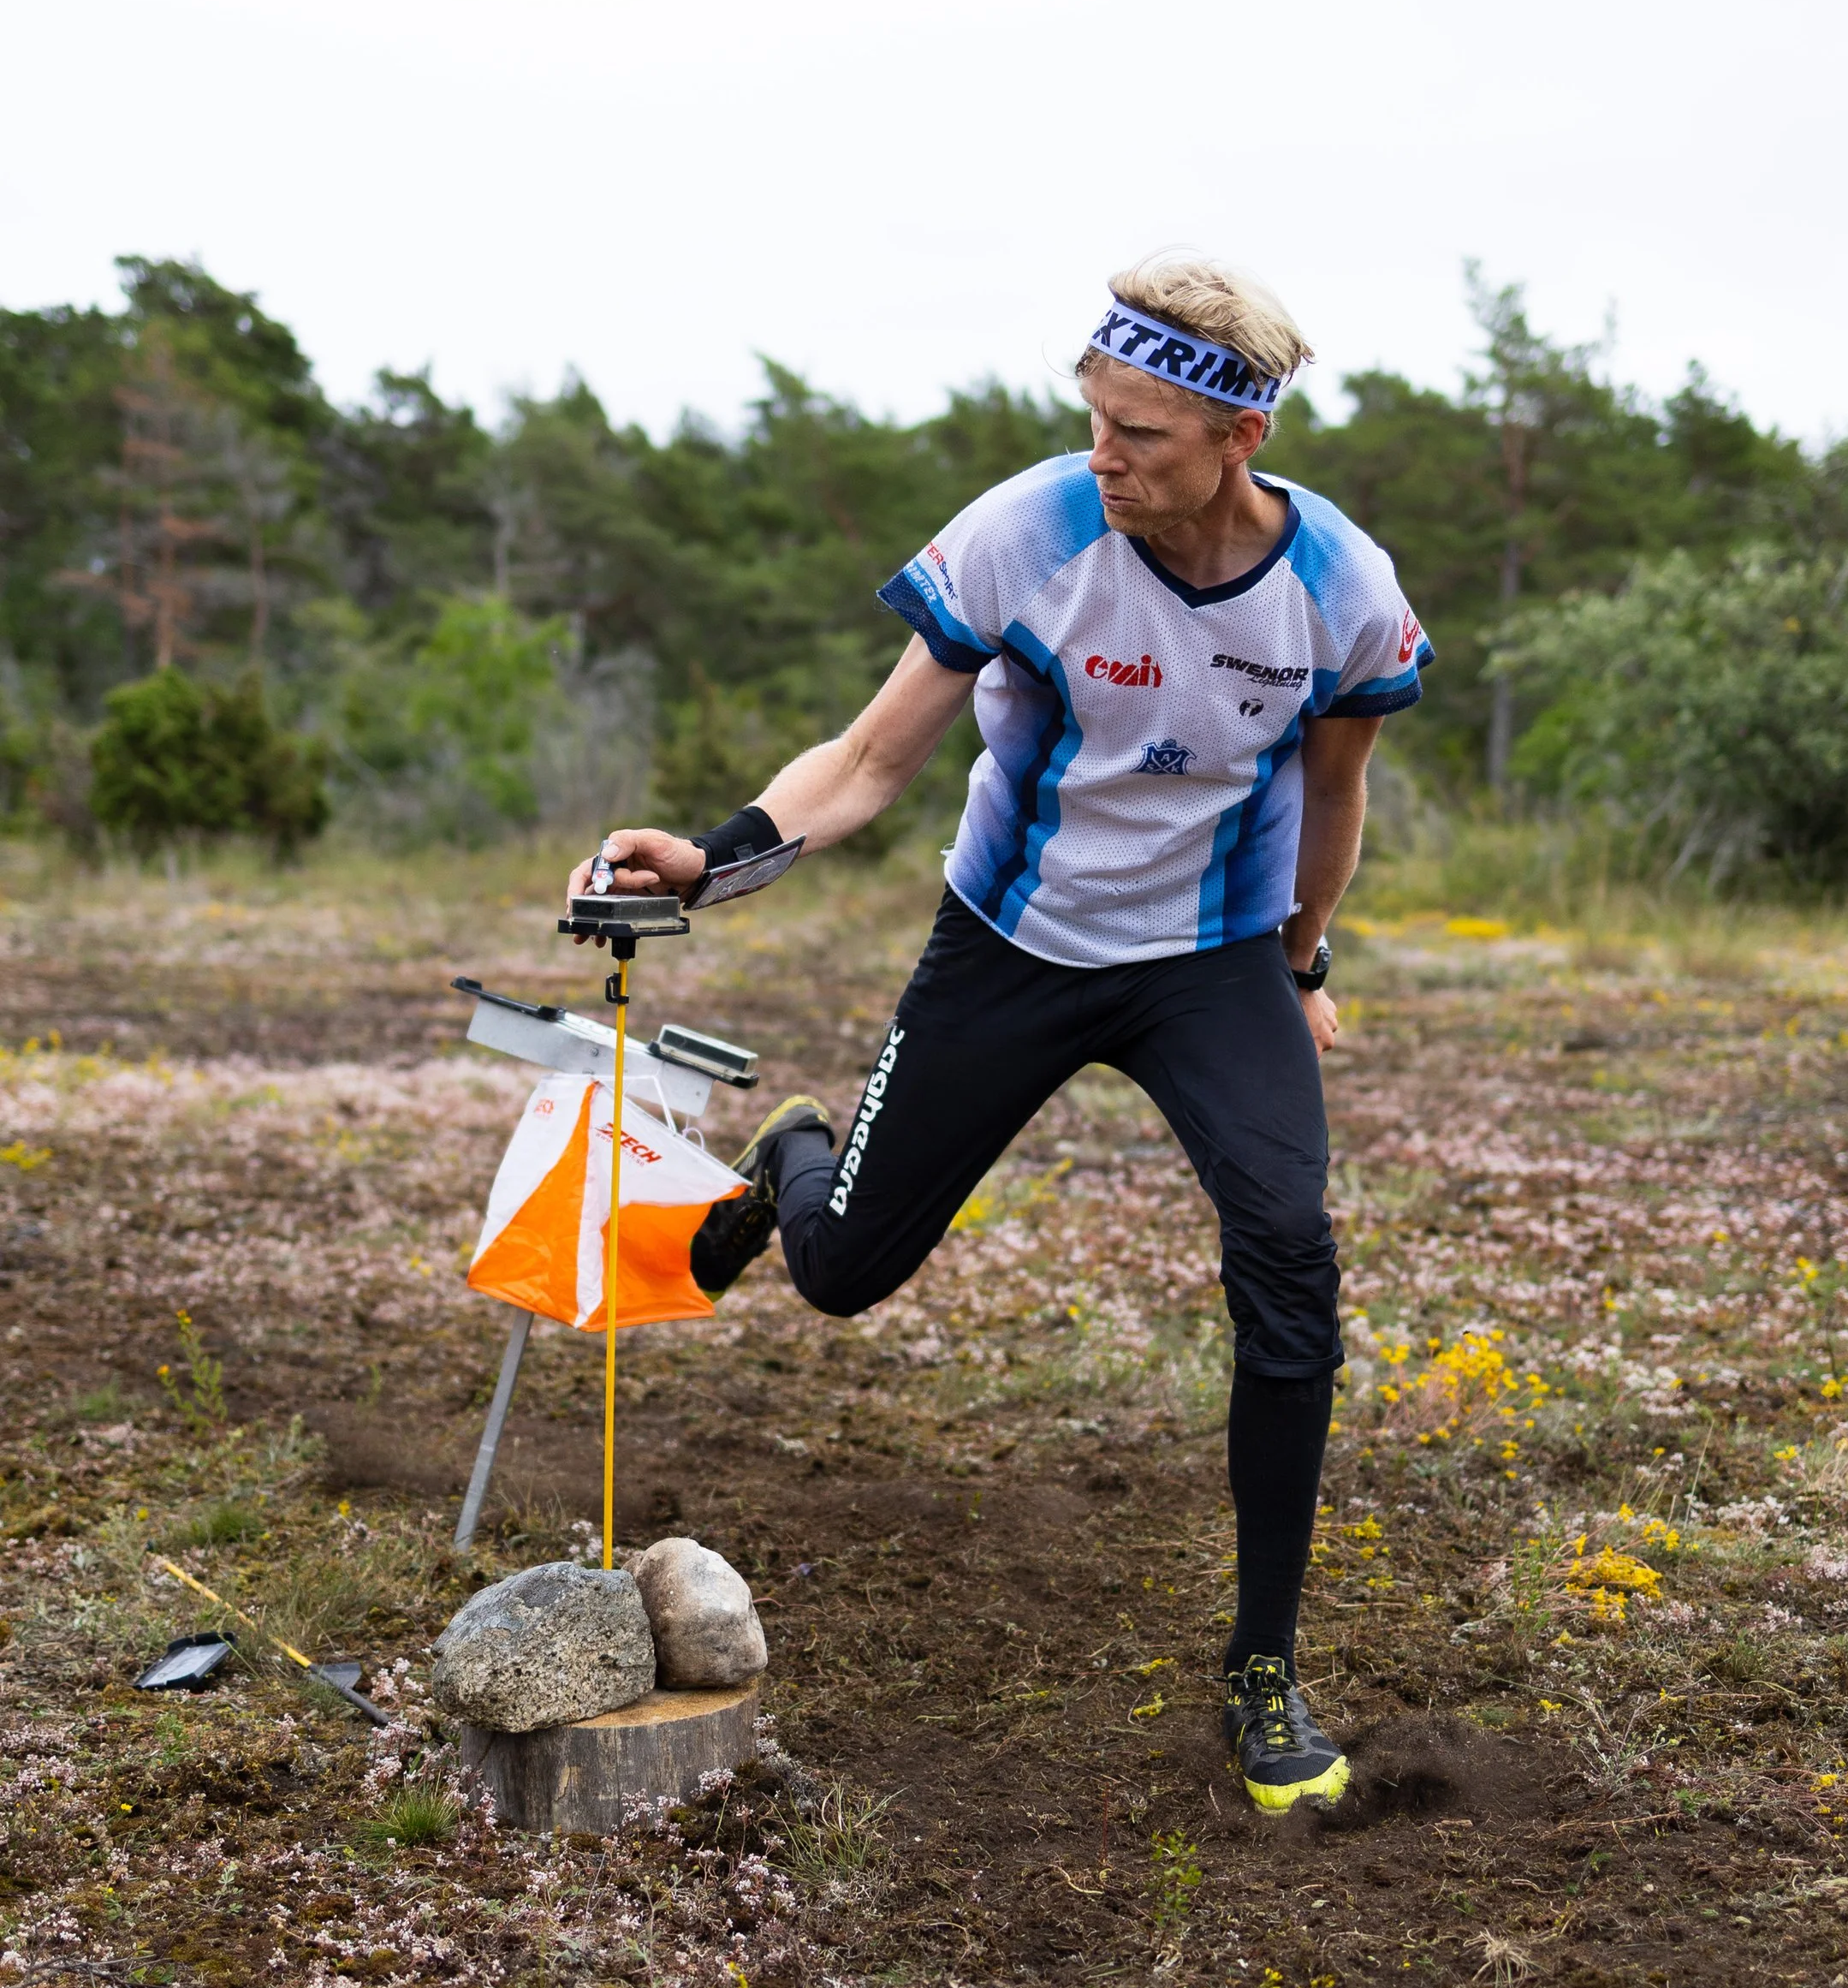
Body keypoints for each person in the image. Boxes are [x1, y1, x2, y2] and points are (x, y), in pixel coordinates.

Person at [567, 254, 1429, 1811]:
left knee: (1290, 1251)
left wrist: (1302, 967)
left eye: (1142, 435)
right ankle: (794, 1163)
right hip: (1011, 945)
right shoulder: (1031, 532)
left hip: (1209, 960)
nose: (1105, 455)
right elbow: (869, 758)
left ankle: (1264, 1668)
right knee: (842, 1276)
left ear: (1239, 440)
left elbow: (1339, 790)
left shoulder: (1342, 593)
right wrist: (712, 859)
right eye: (1093, 418)